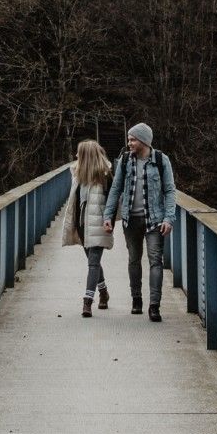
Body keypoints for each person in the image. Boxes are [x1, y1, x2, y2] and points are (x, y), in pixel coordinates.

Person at [101, 121, 176, 322]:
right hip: (130, 219)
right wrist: (108, 216)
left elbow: (170, 191)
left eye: (133, 139)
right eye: (129, 139)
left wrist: (169, 218)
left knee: (155, 261)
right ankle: (136, 299)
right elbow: (115, 189)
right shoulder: (125, 161)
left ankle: (154, 306)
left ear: (143, 141)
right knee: (134, 259)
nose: (129, 143)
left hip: (155, 220)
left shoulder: (161, 160)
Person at [70, 140, 115, 317]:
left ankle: (87, 302)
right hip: (82, 226)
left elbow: (113, 201)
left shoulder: (106, 175)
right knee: (93, 262)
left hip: (99, 225)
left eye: (79, 153)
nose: (75, 156)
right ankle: (104, 292)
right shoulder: (77, 174)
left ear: (87, 156)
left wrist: (108, 220)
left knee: (93, 262)